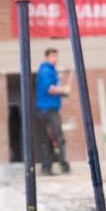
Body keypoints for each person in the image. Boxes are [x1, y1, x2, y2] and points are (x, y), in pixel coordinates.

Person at [35, 47, 71, 175]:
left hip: (48, 109)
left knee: (49, 139)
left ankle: (47, 167)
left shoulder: (51, 71)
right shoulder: (45, 70)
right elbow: (49, 89)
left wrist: (63, 91)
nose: (55, 59)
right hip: (47, 110)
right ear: (46, 57)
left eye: (56, 56)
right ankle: (62, 165)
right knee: (57, 138)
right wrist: (63, 90)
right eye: (52, 56)